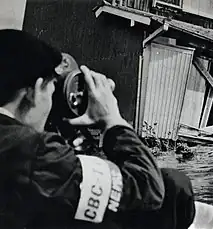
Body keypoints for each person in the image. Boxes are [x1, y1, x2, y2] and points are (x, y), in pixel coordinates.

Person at [0, 29, 195, 229]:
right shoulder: (34, 150)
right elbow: (148, 189)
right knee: (174, 185)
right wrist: (112, 119)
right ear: (35, 91)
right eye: (51, 91)